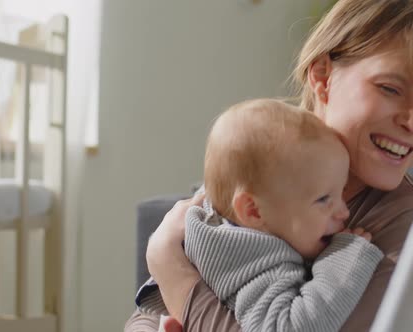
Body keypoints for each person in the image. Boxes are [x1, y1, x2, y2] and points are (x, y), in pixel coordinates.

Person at [125, 0, 413, 330]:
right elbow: (148, 311)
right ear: (322, 76)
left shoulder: (406, 231)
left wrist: (171, 269)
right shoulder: (263, 157)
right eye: (391, 89)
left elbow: (176, 273)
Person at [135, 99, 384, 332]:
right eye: (323, 200)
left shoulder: (218, 219)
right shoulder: (254, 258)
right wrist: (347, 258)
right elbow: (288, 326)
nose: (344, 211)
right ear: (253, 211)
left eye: (341, 193)